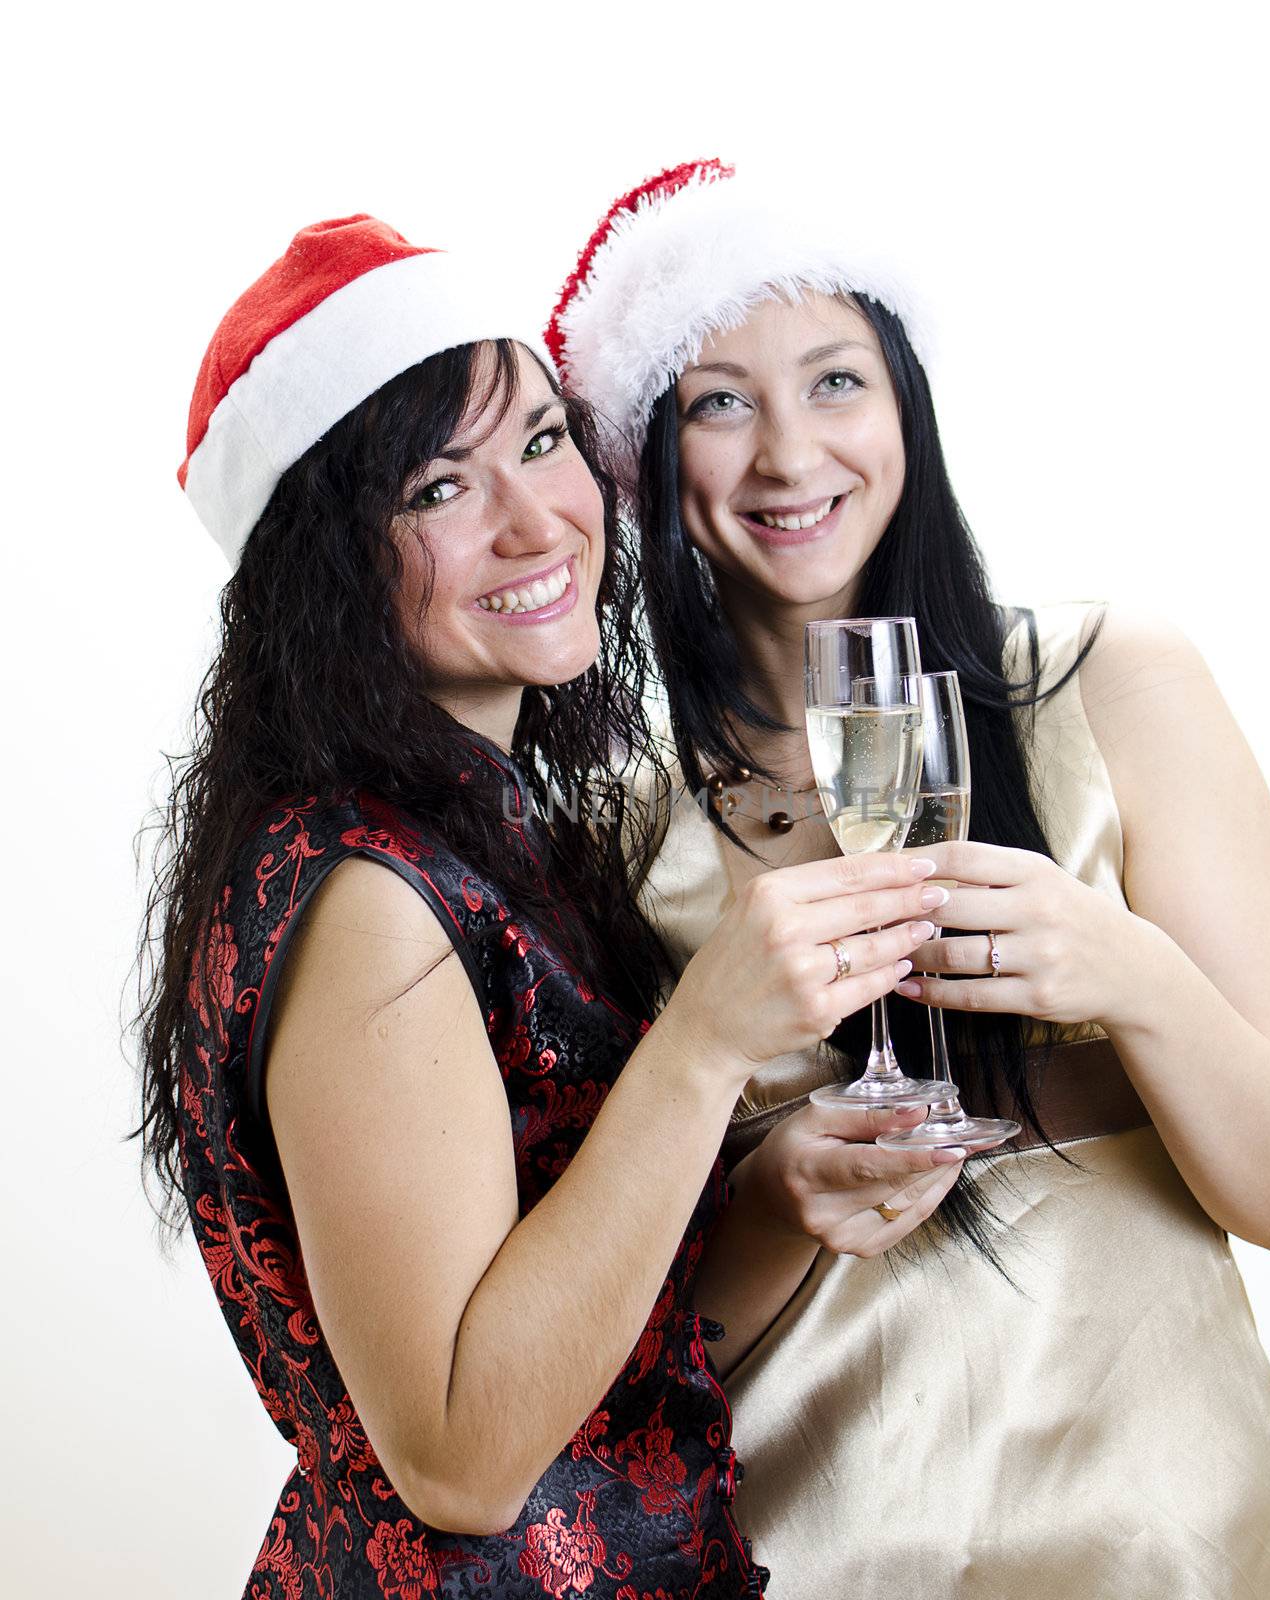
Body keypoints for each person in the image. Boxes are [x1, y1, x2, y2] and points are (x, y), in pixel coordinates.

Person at [547, 162, 1270, 1597]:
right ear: (648, 461)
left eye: (836, 381)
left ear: (904, 402)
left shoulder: (1111, 684)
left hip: (1170, 1548)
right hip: (821, 1560)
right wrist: (771, 1202)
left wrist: (1130, 979)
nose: (791, 455)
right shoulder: (613, 839)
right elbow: (616, 1376)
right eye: (719, 402)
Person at [134, 214, 963, 1599]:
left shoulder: (481, 833)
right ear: (325, 566)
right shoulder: (367, 900)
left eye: (538, 443)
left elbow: (586, 1357)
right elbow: (460, 1459)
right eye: (436, 490)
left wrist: (762, 1201)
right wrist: (701, 1048)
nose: (535, 522)